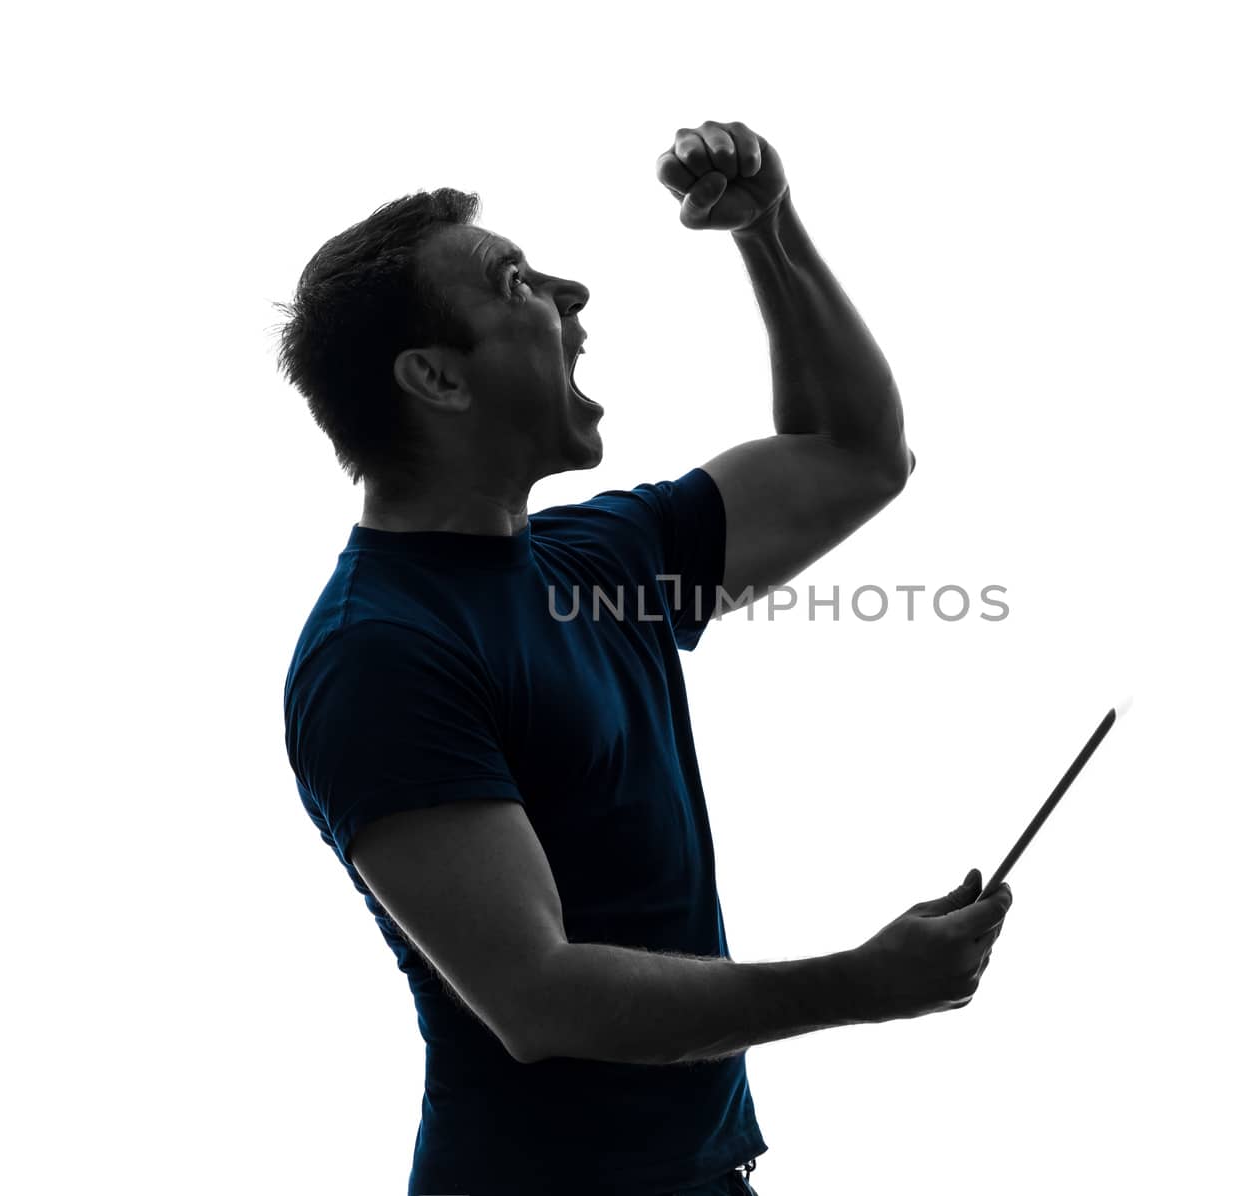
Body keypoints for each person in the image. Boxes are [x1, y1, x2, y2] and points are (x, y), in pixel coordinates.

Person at [278, 120, 1014, 1196]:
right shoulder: (378, 655)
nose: (571, 294)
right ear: (436, 376)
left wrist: (768, 230)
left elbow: (852, 453)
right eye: (517, 282)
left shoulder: (602, 558)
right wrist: (863, 981)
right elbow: (542, 998)